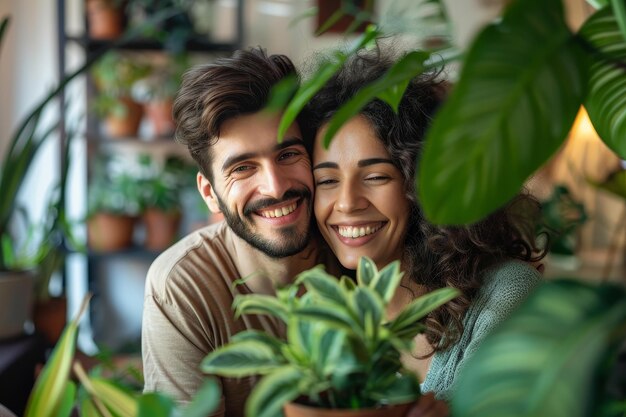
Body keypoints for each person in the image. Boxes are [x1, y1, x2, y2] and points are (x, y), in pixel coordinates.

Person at [305, 48, 547, 403]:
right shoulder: (320, 318)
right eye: (326, 181)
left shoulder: (506, 293)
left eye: (375, 176)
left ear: (419, 185)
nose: (346, 202)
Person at [141, 47, 340, 417]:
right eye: (243, 168)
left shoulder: (352, 249)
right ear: (209, 193)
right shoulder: (182, 284)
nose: (276, 187)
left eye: (287, 155)